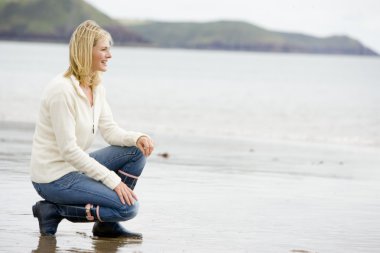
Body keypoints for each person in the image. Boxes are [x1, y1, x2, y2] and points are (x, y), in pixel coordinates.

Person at [30, 20, 154, 239]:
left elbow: (109, 131)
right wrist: (113, 182)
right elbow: (69, 150)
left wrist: (138, 137)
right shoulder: (62, 91)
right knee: (128, 208)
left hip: (74, 168)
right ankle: (53, 210)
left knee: (135, 151)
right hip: (52, 178)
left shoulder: (96, 86)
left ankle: (107, 226)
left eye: (109, 49)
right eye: (104, 49)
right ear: (87, 51)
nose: (110, 55)